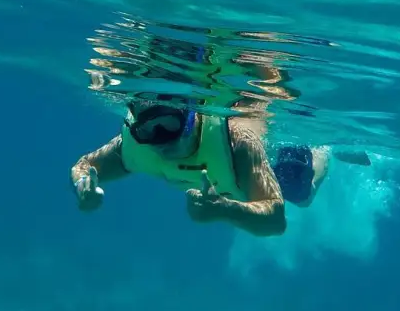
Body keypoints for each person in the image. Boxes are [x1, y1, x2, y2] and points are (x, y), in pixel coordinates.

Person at [70, 93, 370, 237]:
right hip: (232, 175)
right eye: (148, 131)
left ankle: (325, 149)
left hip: (256, 157)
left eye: (169, 125)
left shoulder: (237, 139)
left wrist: (225, 209)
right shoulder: (136, 145)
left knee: (300, 194)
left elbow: (276, 220)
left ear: (191, 118)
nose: (161, 141)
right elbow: (84, 165)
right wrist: (83, 186)